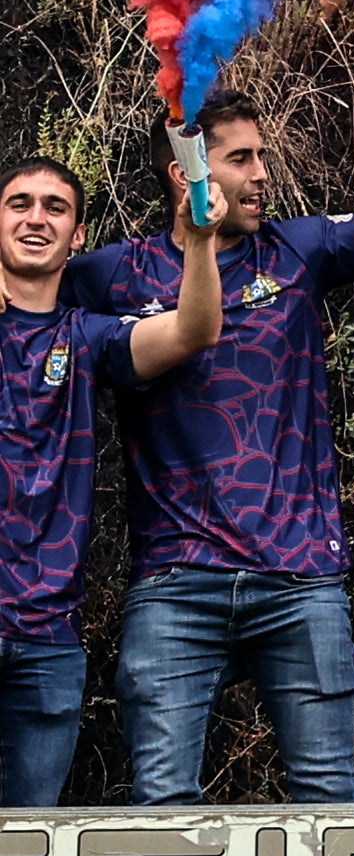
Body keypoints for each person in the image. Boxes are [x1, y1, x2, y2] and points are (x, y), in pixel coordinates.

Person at [73, 2, 354, 804]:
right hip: (174, 582)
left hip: (301, 580)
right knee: (160, 811)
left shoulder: (297, 250)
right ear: (184, 170)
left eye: (263, 158)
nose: (263, 175)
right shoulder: (114, 274)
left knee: (329, 801)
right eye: (241, 159)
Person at [0, 162, 219, 807]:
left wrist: (200, 241)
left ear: (77, 235)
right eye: (18, 203)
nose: (36, 217)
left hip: (47, 642)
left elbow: (192, 330)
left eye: (55, 207)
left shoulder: (86, 336)